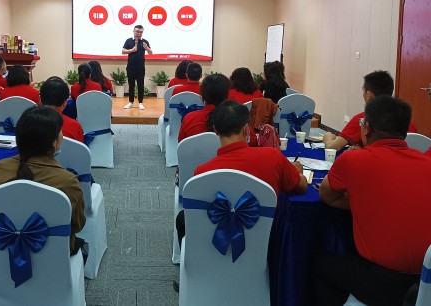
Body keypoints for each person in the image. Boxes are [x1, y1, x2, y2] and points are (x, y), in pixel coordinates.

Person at [174, 100, 307, 289]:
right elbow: (301, 187)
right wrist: (297, 172)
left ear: (215, 131)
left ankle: (192, 273)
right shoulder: (273, 158)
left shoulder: (202, 172)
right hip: (264, 243)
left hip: (216, 242)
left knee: (183, 218)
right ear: (246, 129)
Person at [314, 96, 431, 306]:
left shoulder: (353, 159)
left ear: (367, 129)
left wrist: (361, 200)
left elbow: (327, 196)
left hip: (383, 283)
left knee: (319, 264)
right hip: (425, 282)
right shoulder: (427, 163)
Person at [0, 106, 86, 255]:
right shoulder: (67, 181)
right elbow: (78, 225)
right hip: (54, 255)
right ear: (54, 142)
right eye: (60, 131)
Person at [323, 70, 417, 150]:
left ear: (369, 95)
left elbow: (332, 147)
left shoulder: (364, 119)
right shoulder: (407, 123)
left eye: (363, 91)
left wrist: (328, 136)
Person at [178, 73, 229, 142]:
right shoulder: (234, 120)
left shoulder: (189, 119)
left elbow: (181, 144)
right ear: (227, 94)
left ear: (202, 95)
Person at [40, 77, 84, 143]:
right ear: (65, 103)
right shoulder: (74, 126)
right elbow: (81, 148)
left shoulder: (28, 124)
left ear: (40, 100)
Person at [122, 24, 153, 110]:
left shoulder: (145, 42)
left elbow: (151, 53)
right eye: (137, 31)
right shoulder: (128, 41)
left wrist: (146, 48)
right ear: (133, 31)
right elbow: (123, 51)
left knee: (140, 85)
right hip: (130, 67)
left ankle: (140, 103)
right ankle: (131, 102)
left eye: (141, 32)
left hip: (140, 68)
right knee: (131, 85)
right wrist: (131, 50)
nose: (139, 33)